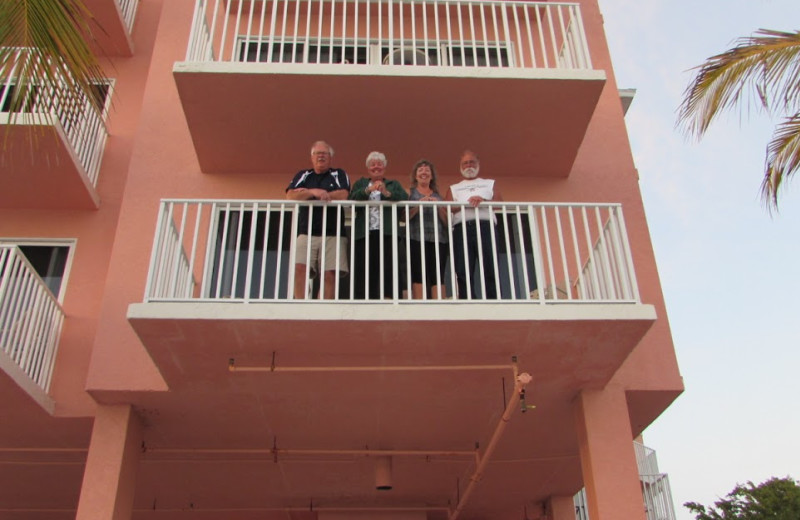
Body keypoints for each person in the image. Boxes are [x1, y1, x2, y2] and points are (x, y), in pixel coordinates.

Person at [286, 141, 350, 299]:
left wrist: (320, 194)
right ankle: (300, 306)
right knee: (300, 268)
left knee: (329, 274)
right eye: (317, 153)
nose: (321, 156)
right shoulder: (303, 175)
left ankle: (325, 308)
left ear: (330, 158)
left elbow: (344, 194)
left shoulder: (339, 174)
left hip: (333, 232)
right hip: (306, 230)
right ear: (312, 157)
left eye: (324, 153)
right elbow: (291, 195)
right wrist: (314, 191)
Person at [348, 151, 408, 299]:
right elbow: (352, 198)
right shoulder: (361, 183)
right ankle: (365, 299)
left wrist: (386, 193)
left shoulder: (393, 184)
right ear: (368, 168)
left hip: (387, 232)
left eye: (379, 164)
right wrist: (368, 190)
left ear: (384, 167)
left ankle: (390, 298)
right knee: (365, 267)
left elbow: (404, 198)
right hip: (364, 233)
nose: (376, 167)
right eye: (373, 164)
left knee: (389, 266)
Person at [445, 150, 503, 300]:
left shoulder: (489, 183)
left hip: (485, 227)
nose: (468, 165)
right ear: (460, 166)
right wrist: (468, 203)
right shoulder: (454, 187)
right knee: (463, 268)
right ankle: (467, 299)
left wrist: (482, 201)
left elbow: (499, 204)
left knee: (490, 265)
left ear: (478, 164)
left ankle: (494, 299)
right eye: (465, 163)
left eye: (472, 162)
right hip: (462, 228)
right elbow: (448, 207)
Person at [406, 159, 449, 299]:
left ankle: (439, 306)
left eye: (427, 170)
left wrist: (439, 208)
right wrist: (419, 205)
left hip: (438, 239)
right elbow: (403, 217)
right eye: (420, 170)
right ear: (415, 176)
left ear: (431, 176)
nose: (424, 172)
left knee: (438, 273)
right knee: (418, 273)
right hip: (416, 238)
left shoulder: (439, 196)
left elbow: (447, 221)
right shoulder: (410, 194)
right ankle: (420, 304)